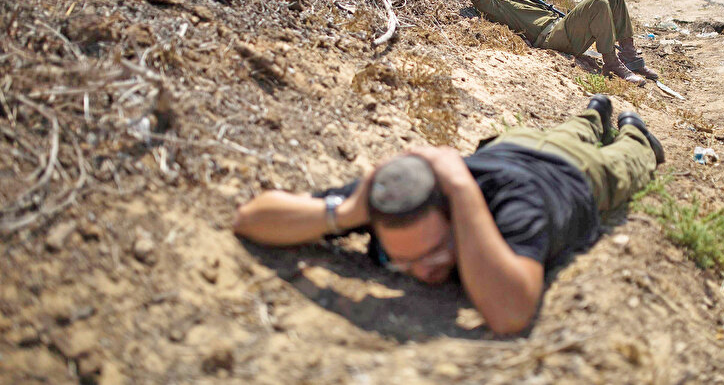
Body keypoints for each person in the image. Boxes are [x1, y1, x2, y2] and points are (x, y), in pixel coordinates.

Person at [233, 95, 664, 335]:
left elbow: (510, 312)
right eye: (398, 259)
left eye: (437, 250)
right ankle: (591, 113)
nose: (422, 271)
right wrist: (346, 212)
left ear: (455, 210)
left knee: (632, 157)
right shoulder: (404, 201)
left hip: (575, 172)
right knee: (571, 127)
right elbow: (251, 218)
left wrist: (461, 188)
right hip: (509, 145)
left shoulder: (516, 207)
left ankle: (627, 127)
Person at [460, 0, 658, 84]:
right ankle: (611, 63)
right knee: (597, 1)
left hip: (561, 26)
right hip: (551, 37)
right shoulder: (488, 1)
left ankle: (630, 56)